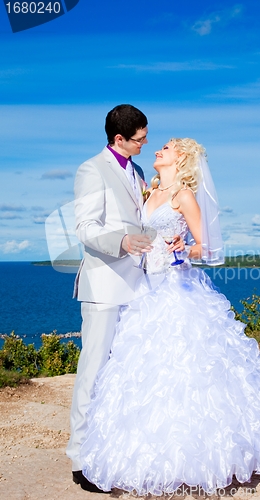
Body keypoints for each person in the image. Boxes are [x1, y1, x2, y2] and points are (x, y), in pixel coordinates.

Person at [79, 138, 260, 495]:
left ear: (182, 158)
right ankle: (146, 455)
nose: (158, 149)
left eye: (167, 147)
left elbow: (207, 246)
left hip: (179, 290)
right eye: (158, 146)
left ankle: (200, 457)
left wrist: (186, 246)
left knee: (190, 368)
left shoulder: (184, 197)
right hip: (147, 290)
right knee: (145, 374)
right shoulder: (149, 193)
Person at [67, 104, 165, 493]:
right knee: (93, 372)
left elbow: (144, 223)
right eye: (140, 139)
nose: (146, 144)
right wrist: (121, 242)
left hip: (140, 288)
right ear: (119, 139)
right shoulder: (91, 170)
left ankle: (117, 451)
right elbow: (86, 229)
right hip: (105, 286)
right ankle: (80, 458)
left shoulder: (139, 172)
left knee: (126, 374)